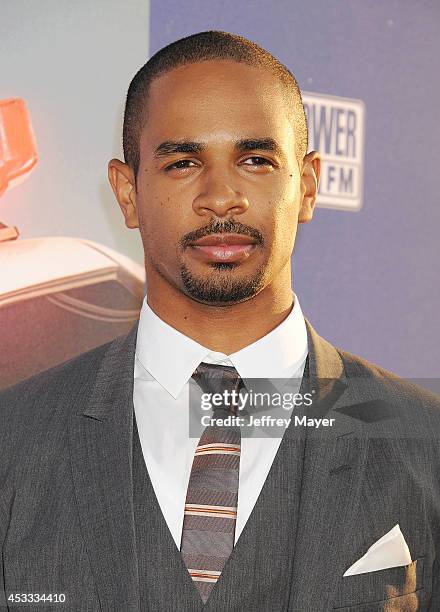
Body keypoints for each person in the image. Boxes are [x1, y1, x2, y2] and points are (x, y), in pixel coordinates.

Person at [1, 30, 439, 612]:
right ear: (127, 194)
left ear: (306, 186)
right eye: (183, 162)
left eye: (255, 160)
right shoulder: (14, 438)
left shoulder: (423, 437)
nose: (221, 196)